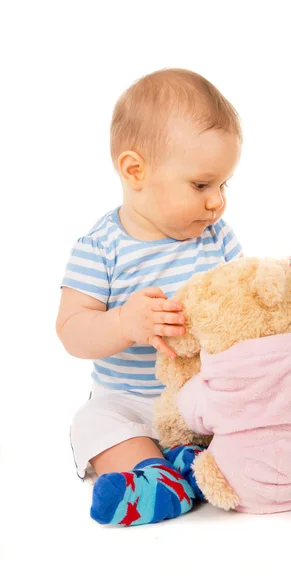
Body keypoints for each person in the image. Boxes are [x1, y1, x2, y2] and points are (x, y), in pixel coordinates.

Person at [56, 67, 244, 526]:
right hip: (130, 399)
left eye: (223, 185)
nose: (217, 201)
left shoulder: (216, 239)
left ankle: (203, 463)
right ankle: (157, 479)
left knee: (252, 407)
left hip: (200, 398)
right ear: (135, 170)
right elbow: (71, 331)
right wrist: (123, 324)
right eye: (201, 185)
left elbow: (243, 304)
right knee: (95, 423)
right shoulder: (99, 248)